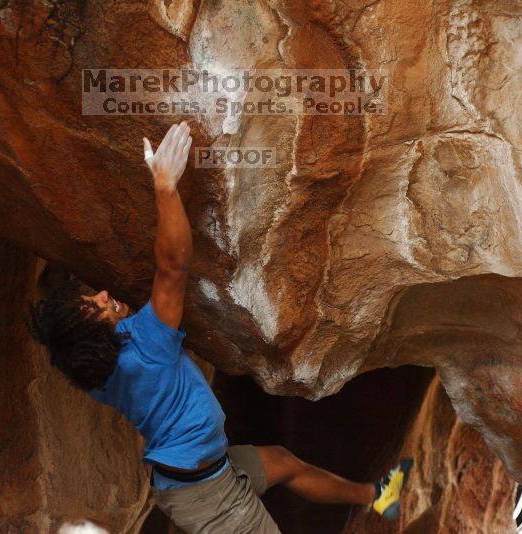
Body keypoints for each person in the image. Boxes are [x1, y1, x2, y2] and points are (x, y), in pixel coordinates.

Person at [28, 122, 413, 533]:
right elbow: (173, 266)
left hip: (200, 473)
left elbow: (74, 335)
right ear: (96, 338)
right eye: (95, 307)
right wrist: (164, 186)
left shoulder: (94, 369)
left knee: (283, 463)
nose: (104, 295)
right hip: (210, 497)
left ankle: (375, 495)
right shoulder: (146, 350)